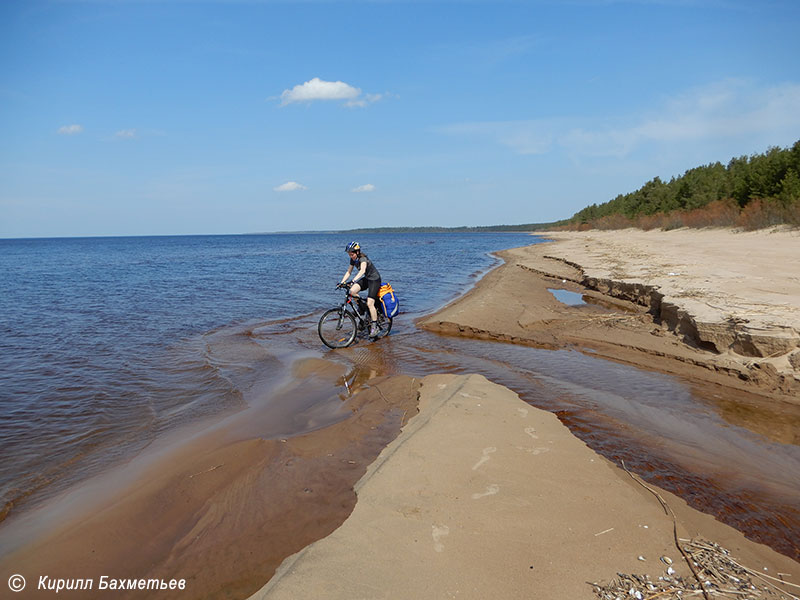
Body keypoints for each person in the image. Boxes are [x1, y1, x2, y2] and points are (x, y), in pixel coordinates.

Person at [339, 241, 382, 337]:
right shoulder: (353, 260)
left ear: (357, 252)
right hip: (367, 279)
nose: (351, 256)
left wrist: (353, 281)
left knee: (370, 303)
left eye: (352, 254)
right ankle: (362, 308)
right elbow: (349, 271)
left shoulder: (363, 259)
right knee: (352, 291)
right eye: (349, 254)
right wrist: (342, 282)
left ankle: (375, 327)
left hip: (374, 280)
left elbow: (362, 270)